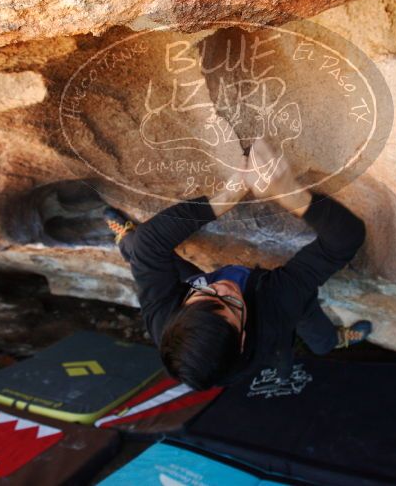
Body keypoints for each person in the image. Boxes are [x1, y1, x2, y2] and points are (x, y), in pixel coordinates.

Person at [104, 140, 372, 390]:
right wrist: (289, 194)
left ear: (178, 316)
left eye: (205, 297)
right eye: (230, 305)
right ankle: (333, 342)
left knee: (140, 248)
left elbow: (150, 245)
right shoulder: (273, 311)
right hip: (266, 309)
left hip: (205, 299)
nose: (224, 286)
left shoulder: (166, 325)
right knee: (308, 318)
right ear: (242, 337)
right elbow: (345, 239)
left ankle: (125, 239)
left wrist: (226, 197)